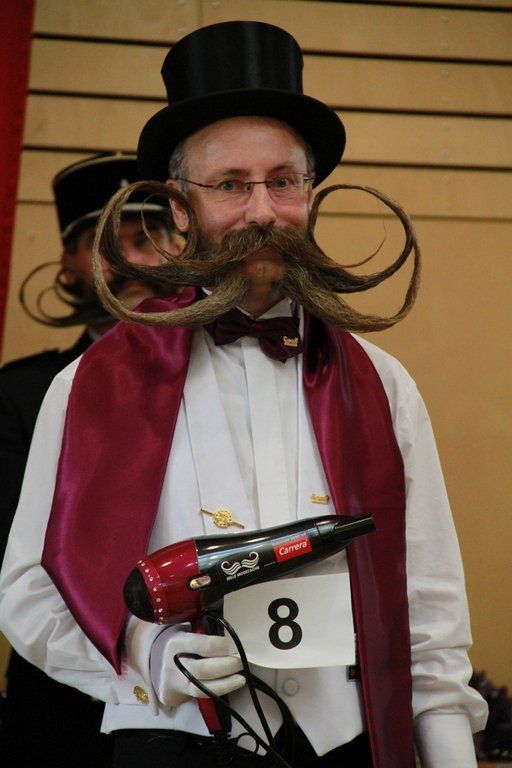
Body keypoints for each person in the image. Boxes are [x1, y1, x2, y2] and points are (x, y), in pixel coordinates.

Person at [0, 22, 487, 768]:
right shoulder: (92, 384)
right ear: (179, 206)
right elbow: (29, 588)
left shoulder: (384, 385)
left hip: (347, 748)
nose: (262, 212)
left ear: (310, 194)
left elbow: (431, 616)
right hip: (172, 746)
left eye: (282, 181)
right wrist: (144, 653)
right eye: (230, 185)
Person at [0, 152, 179, 767]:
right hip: (61, 702)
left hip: (209, 695)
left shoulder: (232, 380)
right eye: (105, 243)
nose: (130, 260)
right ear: (68, 264)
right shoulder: (19, 393)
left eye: (147, 237)